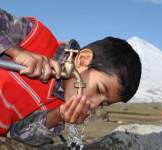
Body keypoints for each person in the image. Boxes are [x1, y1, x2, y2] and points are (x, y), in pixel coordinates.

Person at [0, 8, 142, 145]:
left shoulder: (59, 107)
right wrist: (15, 51)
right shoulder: (33, 37)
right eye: (99, 90)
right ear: (83, 59)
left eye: (102, 104)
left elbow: (17, 136)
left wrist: (57, 116)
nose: (92, 105)